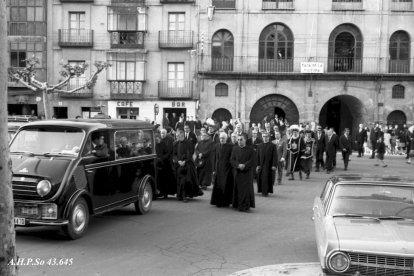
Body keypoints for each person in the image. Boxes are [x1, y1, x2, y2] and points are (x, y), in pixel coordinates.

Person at [173, 129, 203, 202]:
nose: (176, 137)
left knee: (185, 180)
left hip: (188, 164)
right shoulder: (175, 143)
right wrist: (178, 161)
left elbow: (190, 154)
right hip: (179, 164)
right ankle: (180, 195)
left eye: (178, 136)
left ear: (182, 135)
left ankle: (184, 195)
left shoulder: (189, 143)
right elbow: (174, 154)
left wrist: (184, 161)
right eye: (176, 136)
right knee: (179, 180)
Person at [231, 133, 255, 212]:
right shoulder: (235, 148)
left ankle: (245, 206)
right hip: (237, 172)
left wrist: (244, 165)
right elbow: (232, 160)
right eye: (238, 140)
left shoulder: (250, 149)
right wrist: (238, 165)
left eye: (241, 139)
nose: (239, 141)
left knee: (245, 190)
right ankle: (237, 204)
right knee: (238, 189)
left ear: (245, 140)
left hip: (247, 173)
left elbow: (252, 160)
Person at [210, 132, 234, 207]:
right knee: (218, 185)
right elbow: (214, 157)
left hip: (227, 169)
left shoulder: (230, 146)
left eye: (223, 138)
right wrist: (214, 169)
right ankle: (217, 201)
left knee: (226, 185)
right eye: (220, 138)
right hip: (218, 168)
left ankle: (225, 202)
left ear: (226, 139)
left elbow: (231, 158)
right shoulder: (216, 146)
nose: (221, 139)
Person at [155, 134, 177, 198]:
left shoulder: (163, 144)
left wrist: (161, 158)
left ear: (159, 139)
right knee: (160, 179)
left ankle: (165, 193)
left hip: (165, 165)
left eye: (157, 139)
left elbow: (168, 153)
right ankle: (161, 192)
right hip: (158, 164)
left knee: (165, 179)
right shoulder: (155, 145)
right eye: (156, 140)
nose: (156, 140)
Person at [256, 132, 277, 197]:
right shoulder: (259, 146)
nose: (265, 138)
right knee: (261, 178)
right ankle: (262, 190)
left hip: (269, 165)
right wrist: (257, 165)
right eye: (264, 136)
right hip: (261, 165)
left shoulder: (273, 145)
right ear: (262, 137)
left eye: (266, 137)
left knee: (266, 178)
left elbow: (275, 156)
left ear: (268, 137)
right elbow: (257, 156)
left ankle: (265, 192)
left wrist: (274, 165)